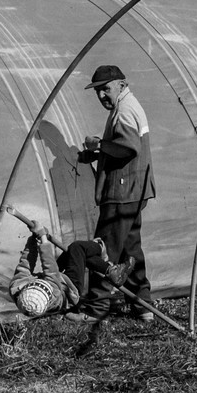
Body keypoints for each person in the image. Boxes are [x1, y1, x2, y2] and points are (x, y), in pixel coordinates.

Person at [76, 64, 155, 320]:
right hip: (134, 191)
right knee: (130, 251)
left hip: (122, 192)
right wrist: (99, 153)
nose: (101, 95)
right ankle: (144, 306)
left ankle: (96, 308)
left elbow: (128, 148)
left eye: (105, 89)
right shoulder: (129, 105)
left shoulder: (124, 110)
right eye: (98, 91)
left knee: (103, 250)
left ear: (121, 84)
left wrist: (100, 144)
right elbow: (123, 149)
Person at [6, 211, 132, 321]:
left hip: (57, 278)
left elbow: (26, 263)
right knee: (78, 248)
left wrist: (33, 239)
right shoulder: (54, 293)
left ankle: (107, 268)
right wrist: (43, 238)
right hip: (70, 289)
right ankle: (101, 249)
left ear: (26, 287)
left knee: (75, 253)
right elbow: (50, 268)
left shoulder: (17, 286)